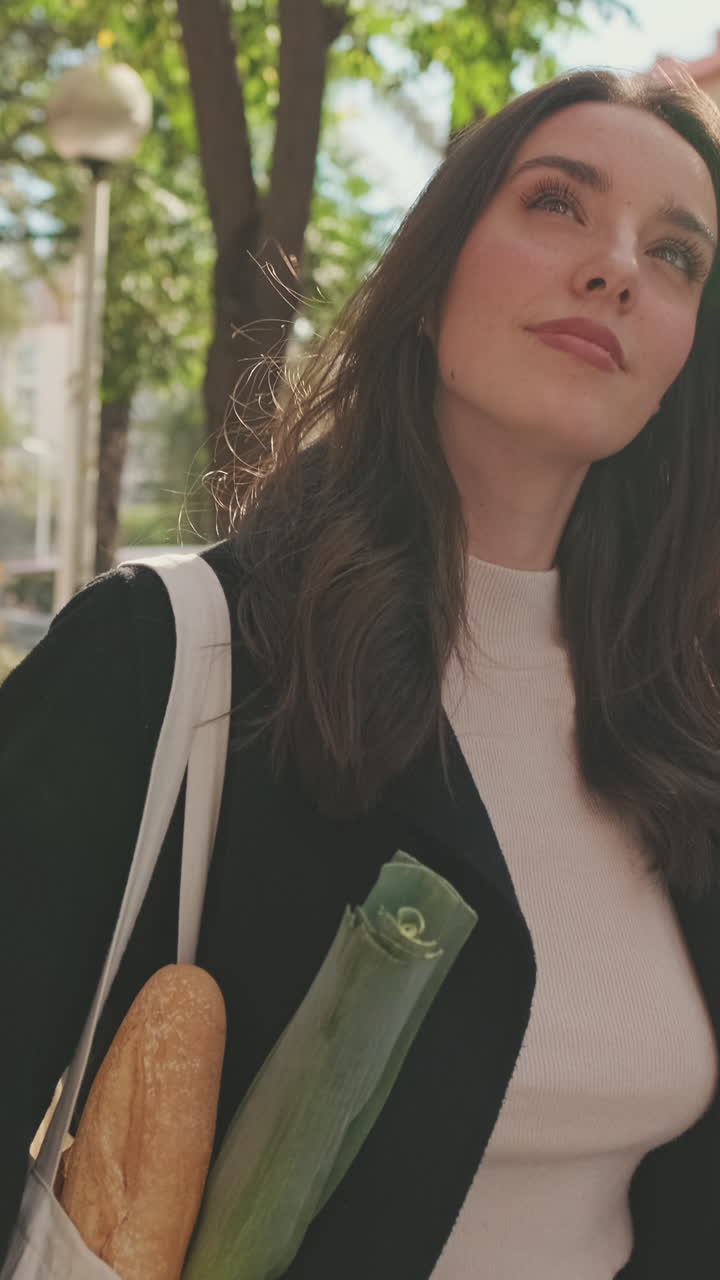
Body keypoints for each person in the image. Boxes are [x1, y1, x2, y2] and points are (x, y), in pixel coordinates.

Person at [2, 65, 720, 1280]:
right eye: (557, 203)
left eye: (678, 255)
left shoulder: (687, 731)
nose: (617, 268)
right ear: (431, 275)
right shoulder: (167, 656)